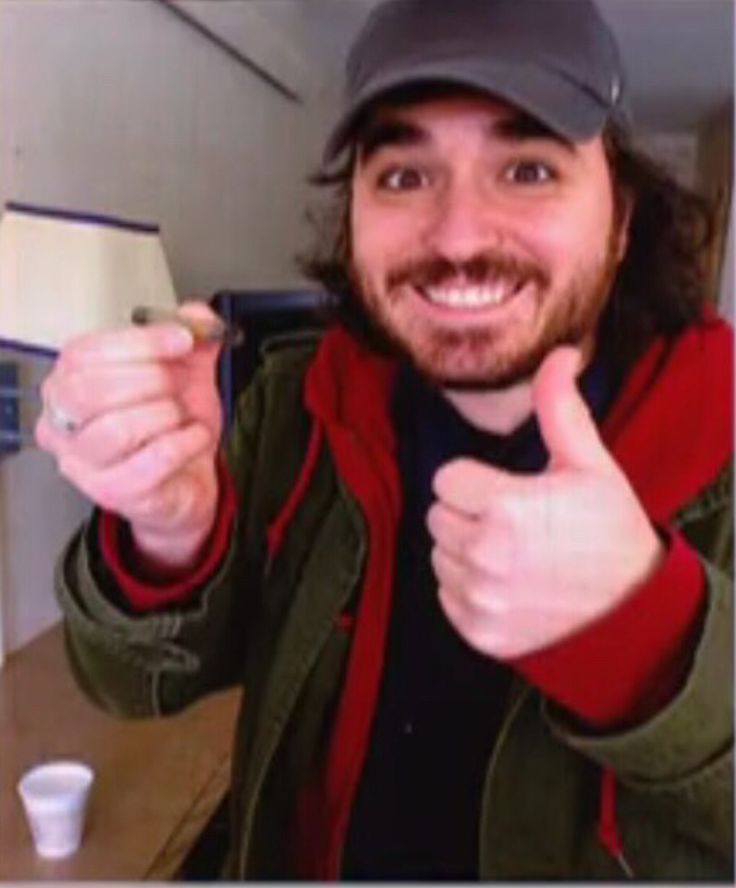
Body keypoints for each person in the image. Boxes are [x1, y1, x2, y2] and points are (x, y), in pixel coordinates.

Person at [37, 0, 732, 880]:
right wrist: (164, 527)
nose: (460, 235)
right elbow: (132, 683)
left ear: (624, 220)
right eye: (404, 176)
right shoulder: (293, 407)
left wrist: (650, 632)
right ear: (352, 216)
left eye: (527, 169)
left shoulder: (722, 444)